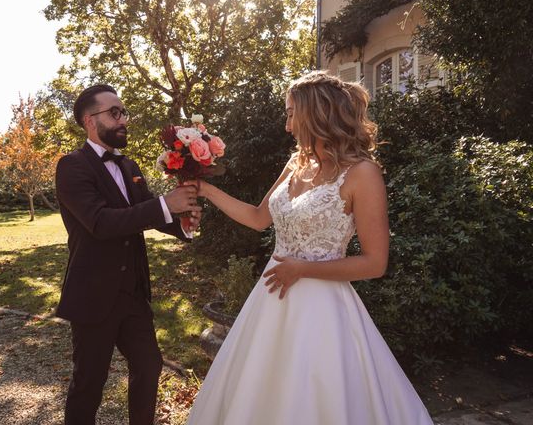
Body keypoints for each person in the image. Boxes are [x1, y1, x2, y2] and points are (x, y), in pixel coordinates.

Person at [185, 71, 434, 424]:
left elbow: (375, 262)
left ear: (314, 114)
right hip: (271, 300)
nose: (287, 125)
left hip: (323, 310)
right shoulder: (295, 164)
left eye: (290, 114)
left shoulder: (362, 174)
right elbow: (258, 218)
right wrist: (206, 190)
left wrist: (302, 269)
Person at [55, 84, 201, 425]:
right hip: (93, 295)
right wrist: (166, 204)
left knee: (149, 368)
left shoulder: (129, 166)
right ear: (90, 121)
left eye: (124, 113)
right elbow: (100, 222)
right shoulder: (72, 167)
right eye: (115, 113)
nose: (124, 120)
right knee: (89, 383)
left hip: (133, 293)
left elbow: (146, 211)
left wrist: (184, 224)